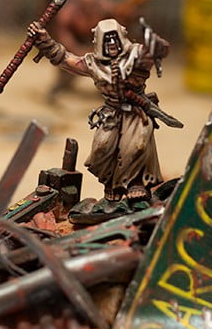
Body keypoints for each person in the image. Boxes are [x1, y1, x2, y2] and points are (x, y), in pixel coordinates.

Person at [27, 18, 178, 213]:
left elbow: (156, 52)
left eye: (115, 39)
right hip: (111, 113)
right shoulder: (93, 63)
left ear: (122, 37)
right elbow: (66, 59)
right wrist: (44, 40)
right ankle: (112, 187)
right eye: (107, 40)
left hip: (136, 112)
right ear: (99, 42)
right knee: (102, 148)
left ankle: (136, 185)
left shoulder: (137, 55)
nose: (112, 44)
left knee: (136, 146)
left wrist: (156, 46)